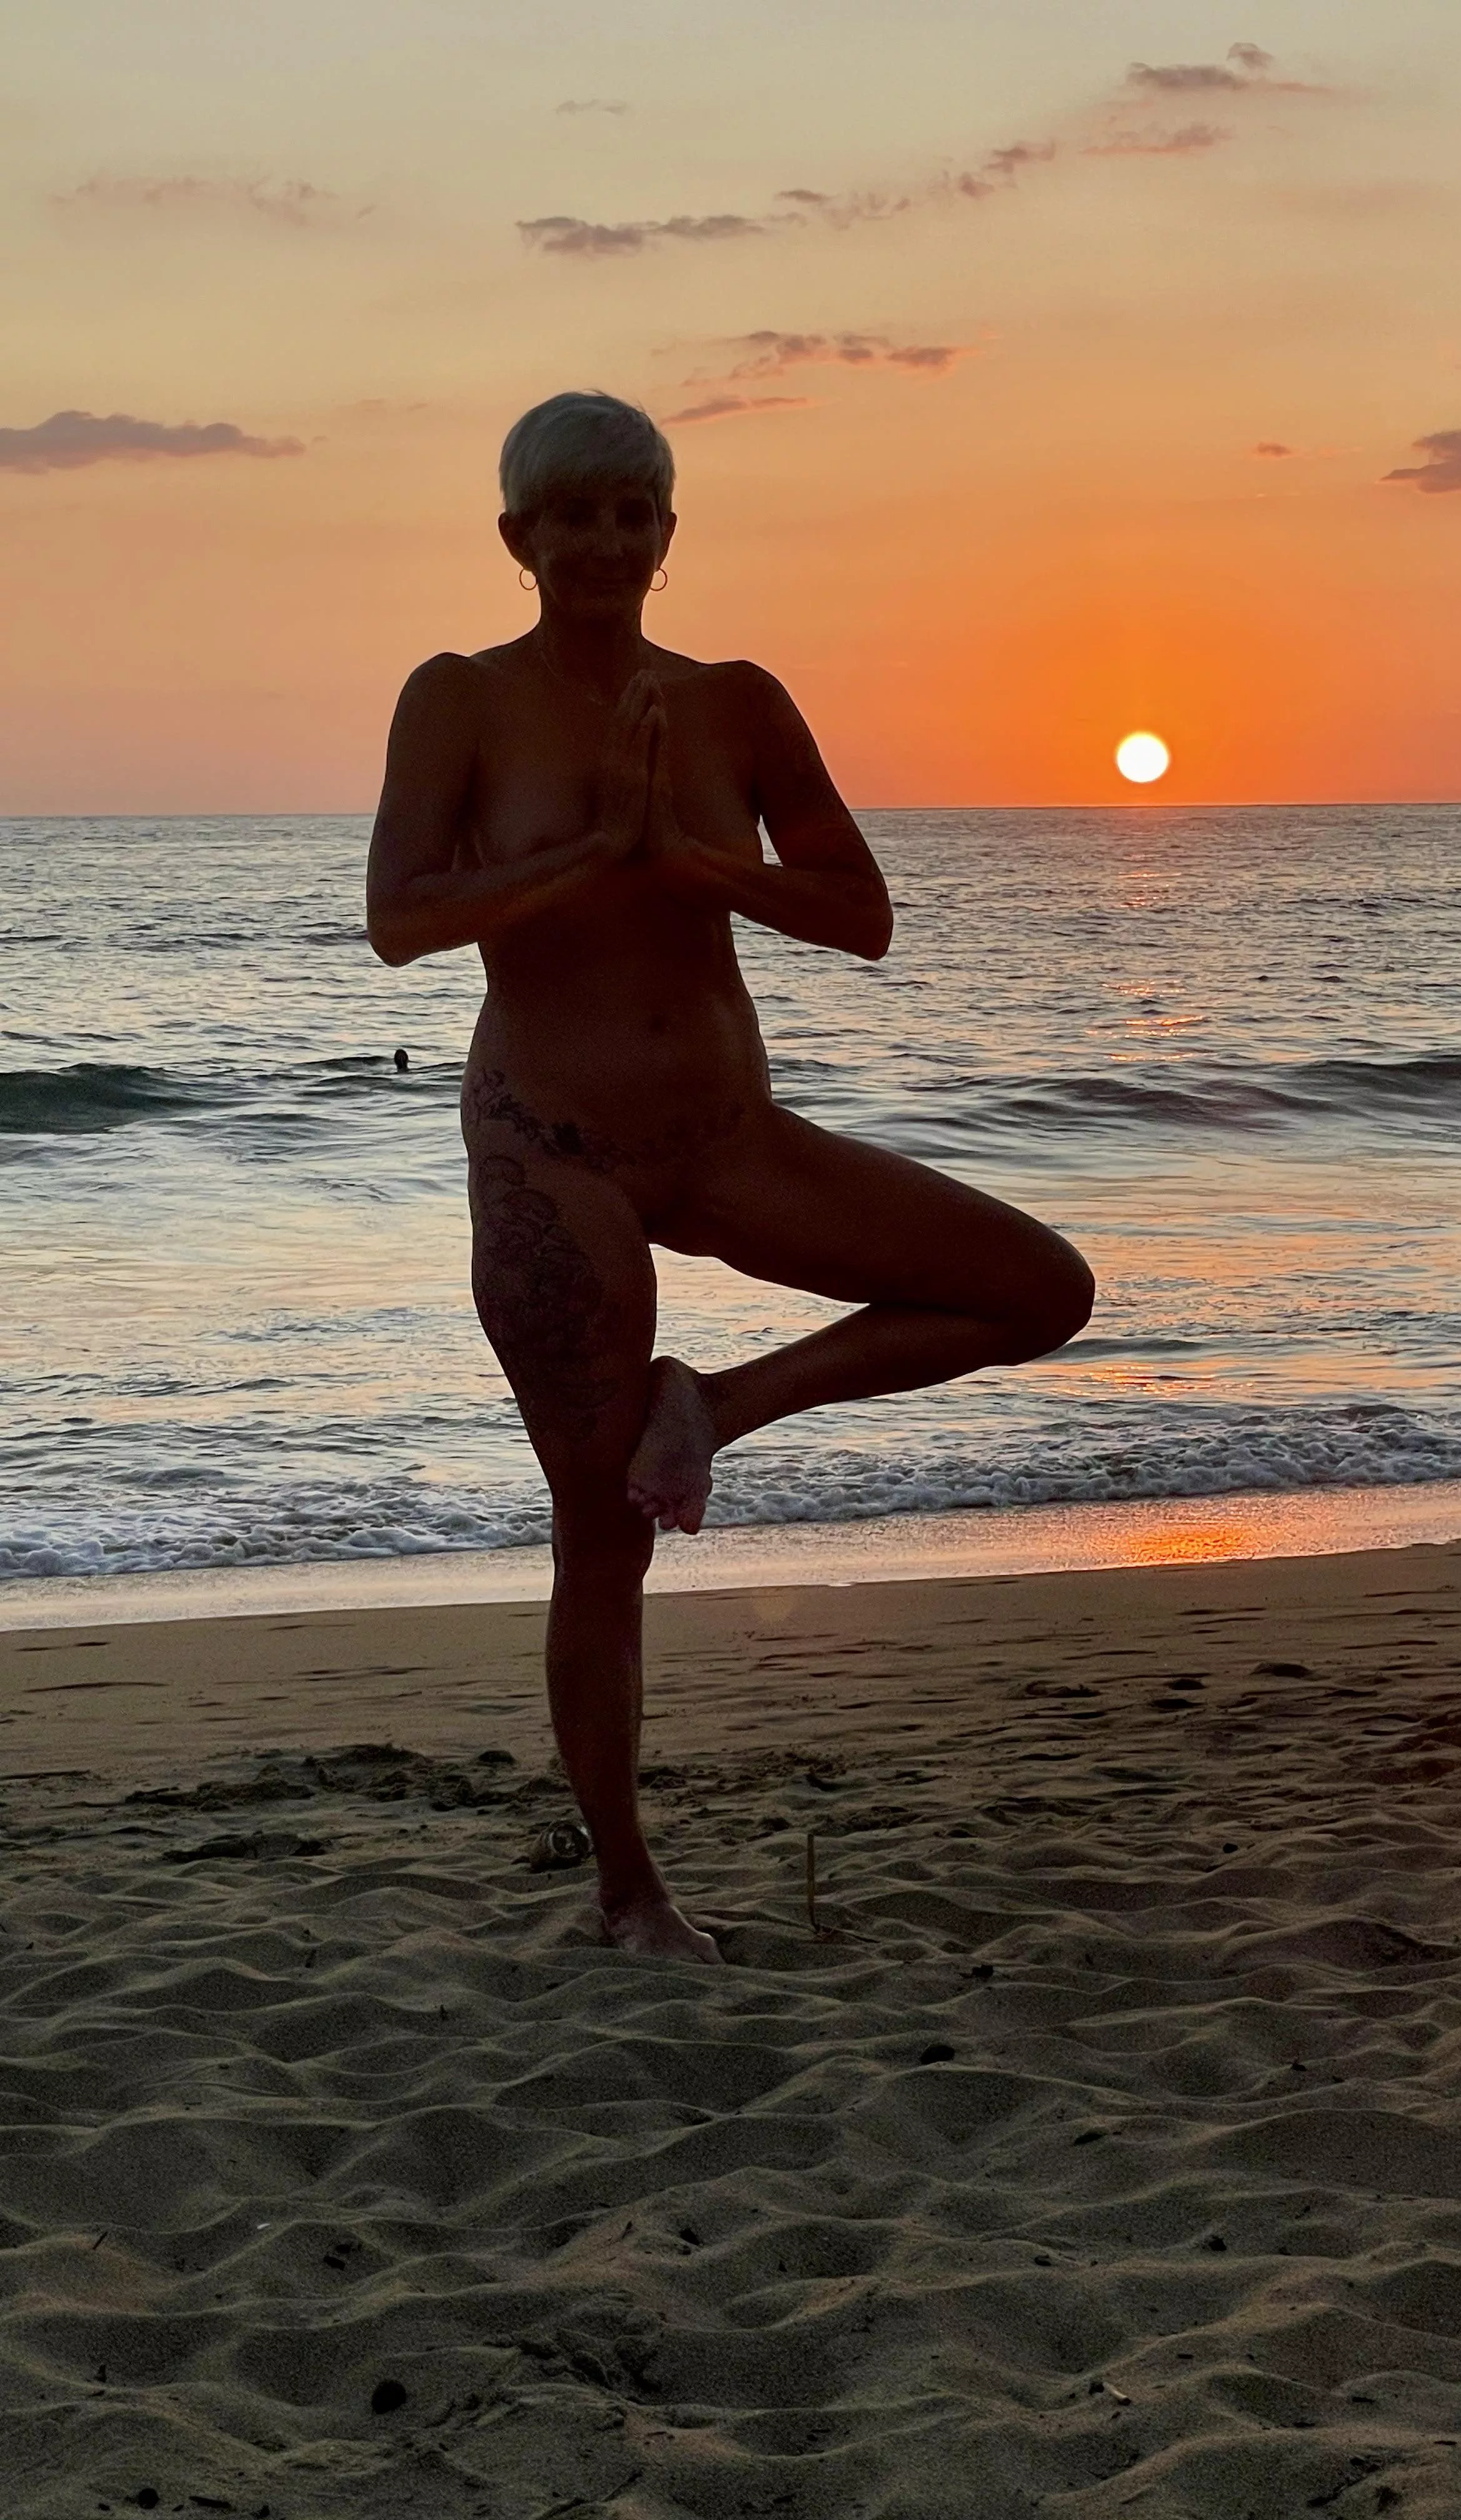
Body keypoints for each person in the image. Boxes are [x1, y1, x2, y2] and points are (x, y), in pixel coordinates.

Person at [364, 390, 1094, 1962]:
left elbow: (861, 912)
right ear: (519, 539)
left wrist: (698, 865)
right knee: (600, 1530)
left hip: (728, 1142)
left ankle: (722, 1405)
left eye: (636, 511)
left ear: (669, 535)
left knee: (1039, 1287)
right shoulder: (460, 700)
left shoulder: (740, 702)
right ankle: (632, 1891)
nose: (608, 540)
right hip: (552, 1162)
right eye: (575, 514)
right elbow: (402, 916)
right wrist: (593, 850)